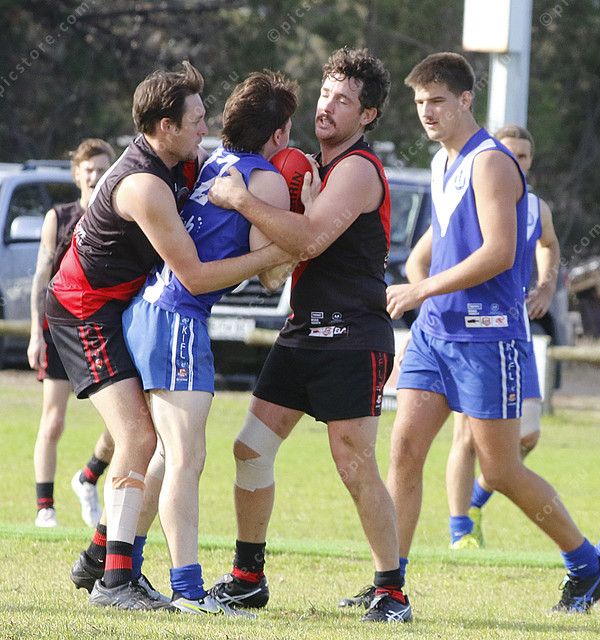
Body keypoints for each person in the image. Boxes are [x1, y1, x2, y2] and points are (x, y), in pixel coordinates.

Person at [45, 61, 290, 611]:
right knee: (141, 440)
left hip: (128, 306)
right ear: (165, 126)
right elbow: (196, 276)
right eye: (196, 120)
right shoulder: (144, 186)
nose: (206, 128)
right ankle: (117, 583)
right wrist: (280, 247)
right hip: (84, 310)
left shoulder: (186, 160)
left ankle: (101, 559)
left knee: (152, 444)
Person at [379, 52, 600, 613]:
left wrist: (421, 289)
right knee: (404, 452)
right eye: (419, 102)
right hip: (435, 336)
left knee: (501, 471)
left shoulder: (490, 163)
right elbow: (434, 250)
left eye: (438, 101)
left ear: (466, 99)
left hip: (488, 339)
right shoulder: (441, 161)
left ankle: (588, 567)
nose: (427, 112)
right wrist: (424, 297)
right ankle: (389, 586)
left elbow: (499, 253)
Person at [208, 48, 412, 624]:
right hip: (303, 331)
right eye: (325, 94)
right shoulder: (308, 166)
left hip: (352, 335)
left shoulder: (358, 169)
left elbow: (310, 240)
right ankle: (248, 579)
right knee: (251, 448)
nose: (327, 107)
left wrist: (240, 198)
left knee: (353, 464)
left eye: (343, 100)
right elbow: (284, 255)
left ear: (367, 116)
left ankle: (392, 592)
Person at [120, 70, 298, 615]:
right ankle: (188, 589)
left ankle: (121, 565)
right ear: (279, 134)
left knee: (166, 454)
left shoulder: (215, 160)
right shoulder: (266, 179)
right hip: (179, 317)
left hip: (149, 309)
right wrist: (299, 222)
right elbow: (272, 277)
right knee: (187, 458)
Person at [445, 124, 560, 549]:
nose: (516, 161)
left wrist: (546, 286)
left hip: (515, 334)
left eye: (523, 156)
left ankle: (476, 501)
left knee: (527, 436)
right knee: (465, 437)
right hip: (471, 333)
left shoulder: (536, 208)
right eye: (508, 153)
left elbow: (549, 244)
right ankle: (461, 530)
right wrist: (432, 307)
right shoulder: (472, 200)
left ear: (529, 161)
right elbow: (422, 259)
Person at [28, 138, 116, 529]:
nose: (95, 176)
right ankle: (45, 508)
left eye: (102, 169)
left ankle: (89, 476)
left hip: (99, 329)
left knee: (125, 421)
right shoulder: (59, 216)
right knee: (53, 421)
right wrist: (36, 332)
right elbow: (41, 275)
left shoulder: (117, 213)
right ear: (76, 173)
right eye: (89, 169)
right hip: (58, 330)